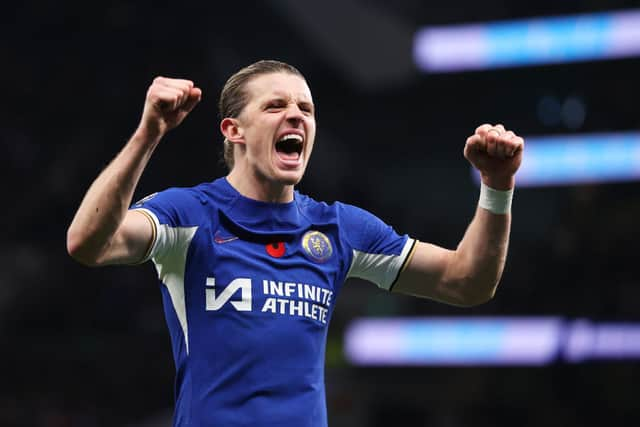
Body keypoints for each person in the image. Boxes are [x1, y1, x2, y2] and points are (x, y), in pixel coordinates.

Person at [67, 60, 524, 426]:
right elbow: (88, 243)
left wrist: (497, 185)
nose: (296, 117)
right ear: (233, 130)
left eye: (306, 109)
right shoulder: (188, 215)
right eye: (275, 106)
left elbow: (467, 283)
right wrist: (149, 134)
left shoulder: (340, 229)